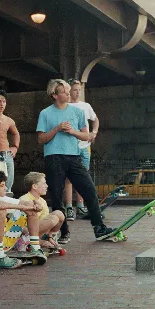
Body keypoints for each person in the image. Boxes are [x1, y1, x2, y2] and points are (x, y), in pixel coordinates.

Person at [37, 79, 114, 243]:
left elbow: (87, 136)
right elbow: (41, 139)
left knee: (90, 191)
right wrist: (57, 129)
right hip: (53, 158)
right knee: (57, 198)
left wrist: (72, 131)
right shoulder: (45, 113)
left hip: (74, 156)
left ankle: (99, 227)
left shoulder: (78, 112)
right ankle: (63, 232)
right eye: (65, 91)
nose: (68, 93)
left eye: (68, 90)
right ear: (55, 95)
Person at [0, 170, 47, 269]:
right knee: (0, 209)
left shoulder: (3, 198)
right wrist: (21, 207)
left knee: (30, 208)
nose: (6, 188)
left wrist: (35, 204)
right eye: (2, 185)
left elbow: (26, 203)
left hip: (5, 241)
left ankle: (35, 248)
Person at [63, 79, 99, 220]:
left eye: (79, 90)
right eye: (75, 90)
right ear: (69, 91)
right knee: (68, 178)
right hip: (71, 146)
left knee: (82, 177)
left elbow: (95, 119)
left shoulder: (85, 106)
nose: (77, 92)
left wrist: (94, 133)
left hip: (84, 147)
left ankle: (80, 205)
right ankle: (69, 207)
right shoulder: (64, 106)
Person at [19, 171, 65, 251]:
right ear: (34, 186)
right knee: (53, 219)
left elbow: (45, 221)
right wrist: (39, 241)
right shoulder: (24, 199)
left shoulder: (42, 201)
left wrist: (49, 236)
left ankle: (50, 238)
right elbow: (20, 227)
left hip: (39, 230)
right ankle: (33, 241)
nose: (46, 186)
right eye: (44, 183)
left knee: (59, 214)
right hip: (25, 232)